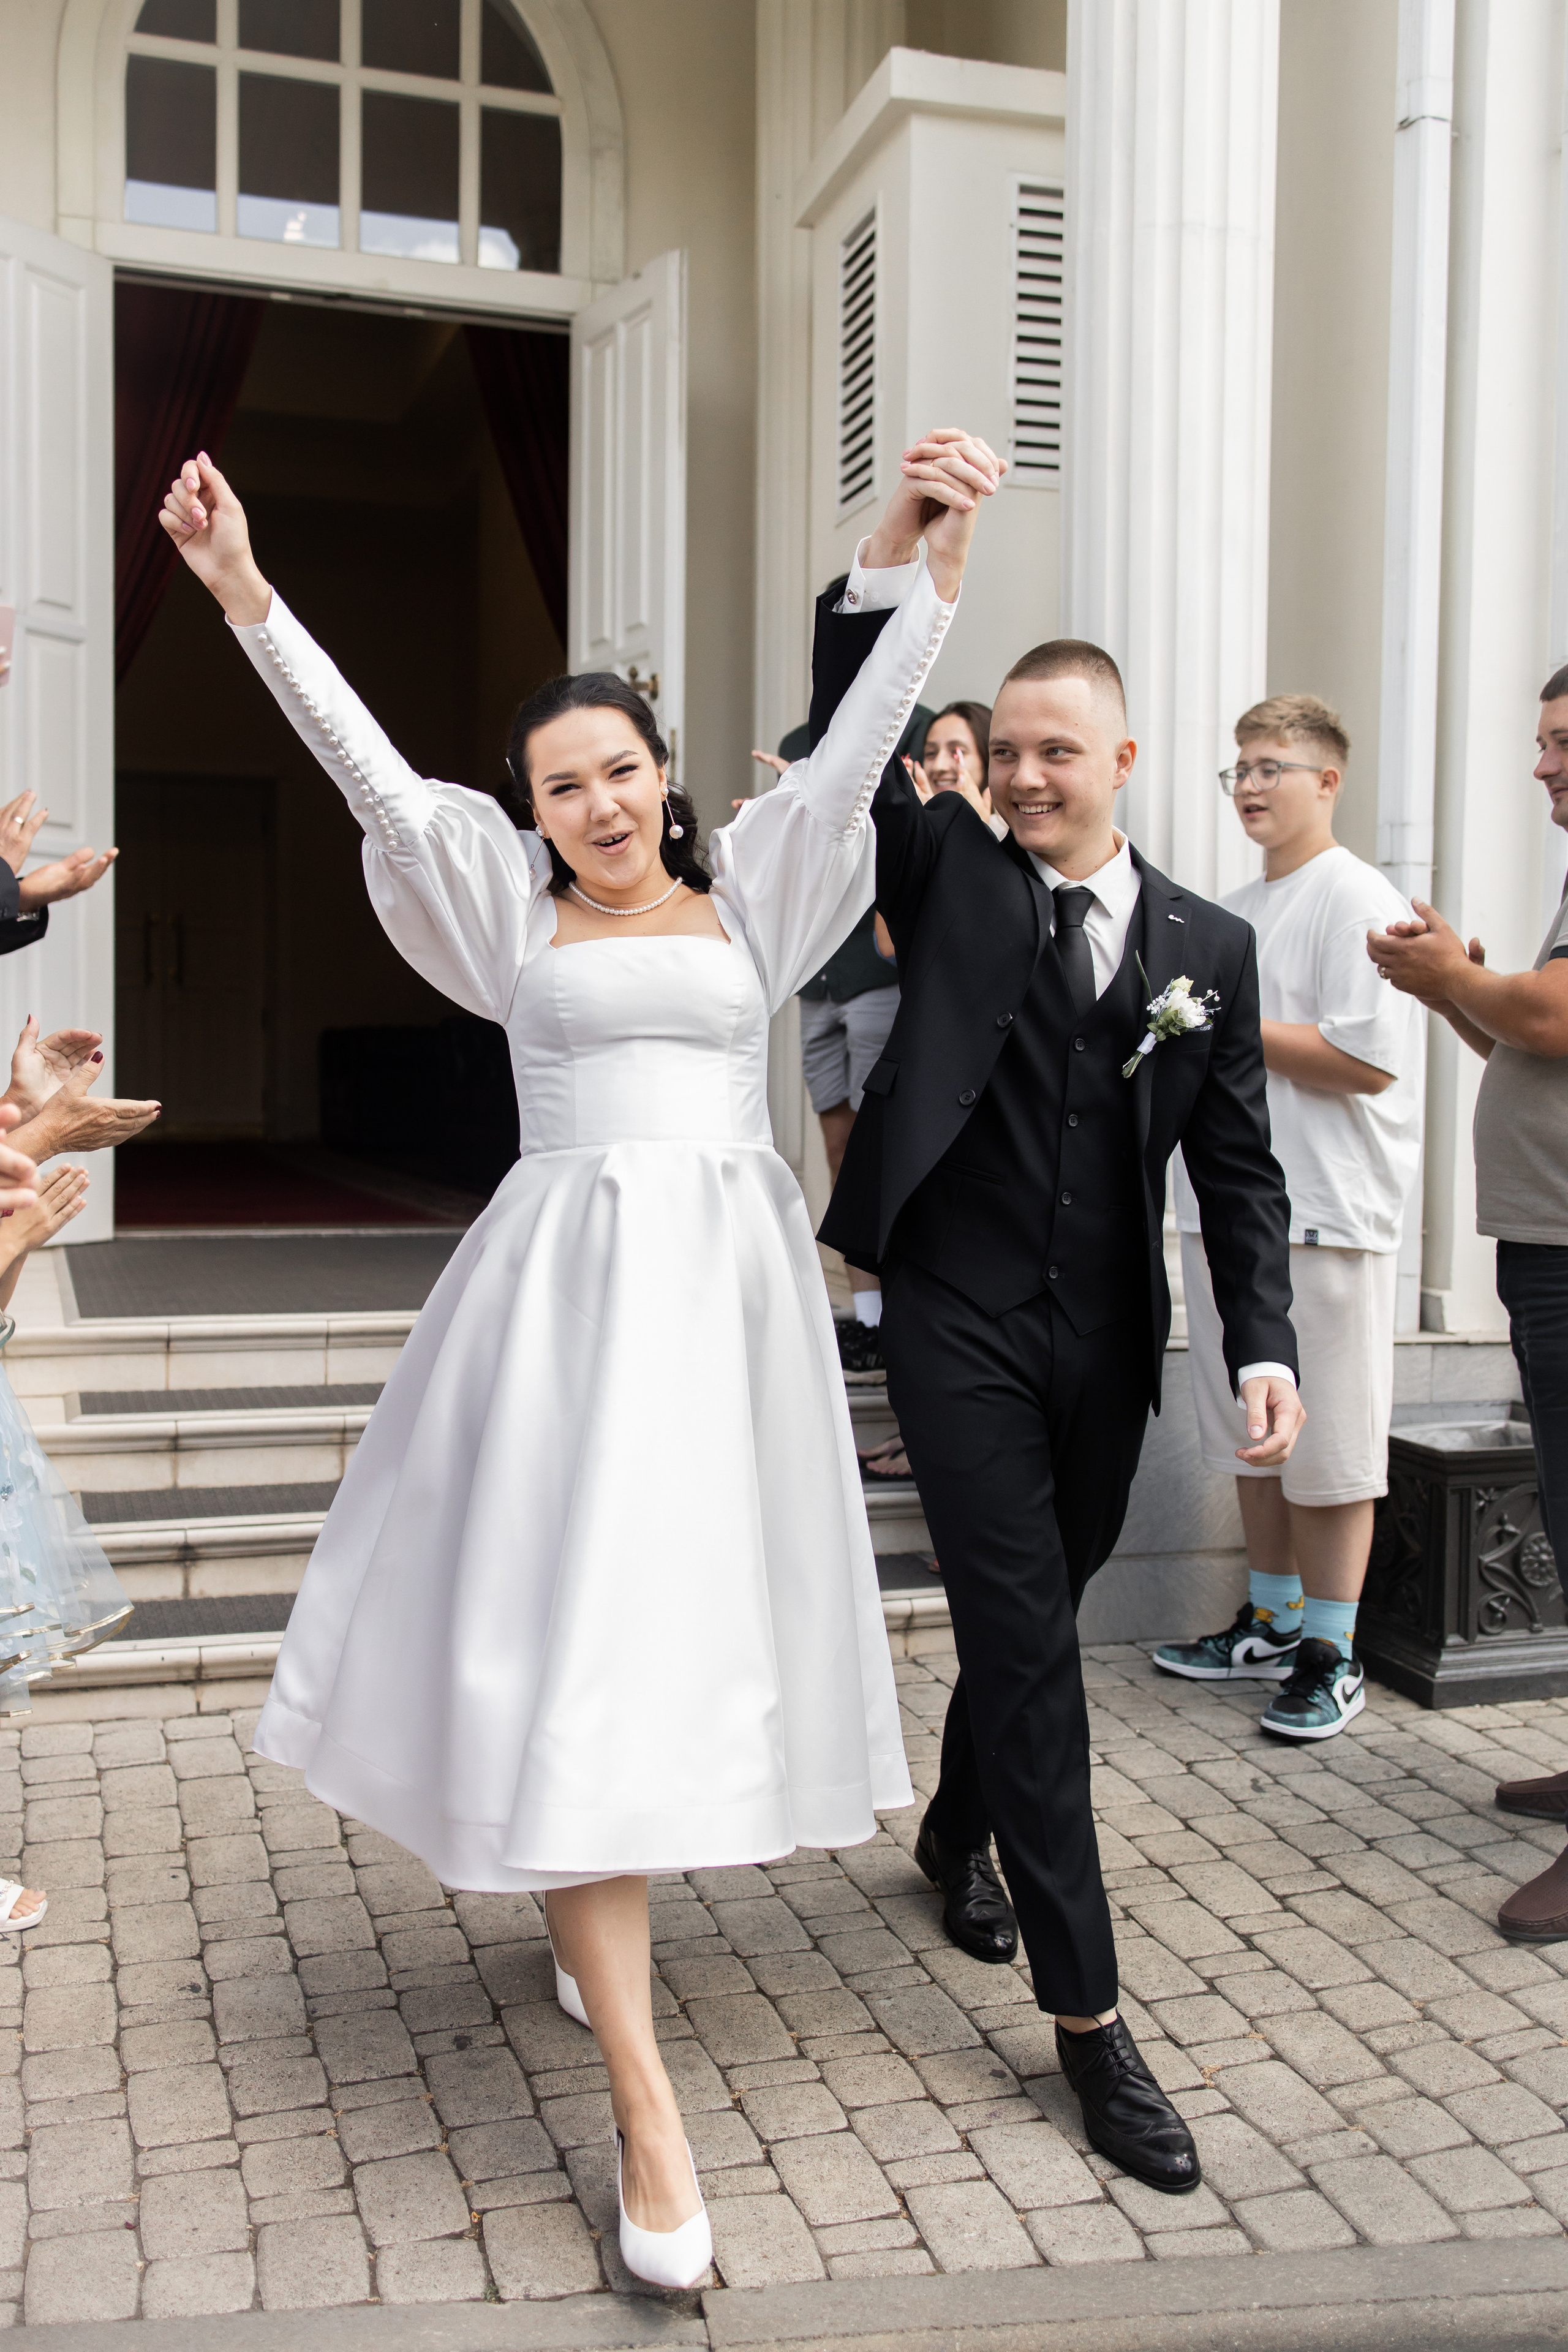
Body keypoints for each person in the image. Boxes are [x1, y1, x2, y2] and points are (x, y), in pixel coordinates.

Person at [157, 435, 989, 2287]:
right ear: (529, 811)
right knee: (576, 1649)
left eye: (618, 770)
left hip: (723, 1325)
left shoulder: (756, 899)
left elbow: (854, 746)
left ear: (663, 777)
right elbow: (367, 770)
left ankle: (578, 1892)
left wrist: (916, 572)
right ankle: (643, 2106)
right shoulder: (501, 908)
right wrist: (244, 596)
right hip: (559, 1315)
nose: (597, 804)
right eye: (561, 785)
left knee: (659, 1645)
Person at [813, 430, 1303, 2198]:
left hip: (1110, 1340)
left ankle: (958, 1828)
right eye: (1002, 752)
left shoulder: (1205, 951)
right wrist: (898, 548)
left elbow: (1239, 1173)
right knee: (1032, 1656)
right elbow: (853, 737)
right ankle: (1096, 2032)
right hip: (950, 1320)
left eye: (1050, 753)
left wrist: (1263, 1347)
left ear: (1122, 760)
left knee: (1044, 1613)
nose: (1020, 776)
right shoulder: (946, 874)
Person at [1155, 698, 1420, 1738]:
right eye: (1240, 770)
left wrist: (1227, 1027)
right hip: (1229, 1215)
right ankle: (1269, 1620)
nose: (1251, 787)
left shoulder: (1359, 897)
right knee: (1250, 1438)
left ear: (1329, 781)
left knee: (1332, 1448)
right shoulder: (1228, 909)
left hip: (1327, 1211)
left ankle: (1333, 1650)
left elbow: (1367, 1060)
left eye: (1274, 767)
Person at [1370, 662, 1568, 1945]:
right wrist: (1451, 987)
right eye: (1540, 741)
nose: (1541, 763)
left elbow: (1551, 1016)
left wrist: (1468, 980)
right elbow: (1518, 1036)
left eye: (1560, 742)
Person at [764, 693, 934, 1376]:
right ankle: (866, 1319)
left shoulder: (917, 728)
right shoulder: (799, 736)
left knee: (877, 1144)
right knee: (836, 1143)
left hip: (873, 972)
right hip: (817, 978)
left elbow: (897, 833)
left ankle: (901, 1316)